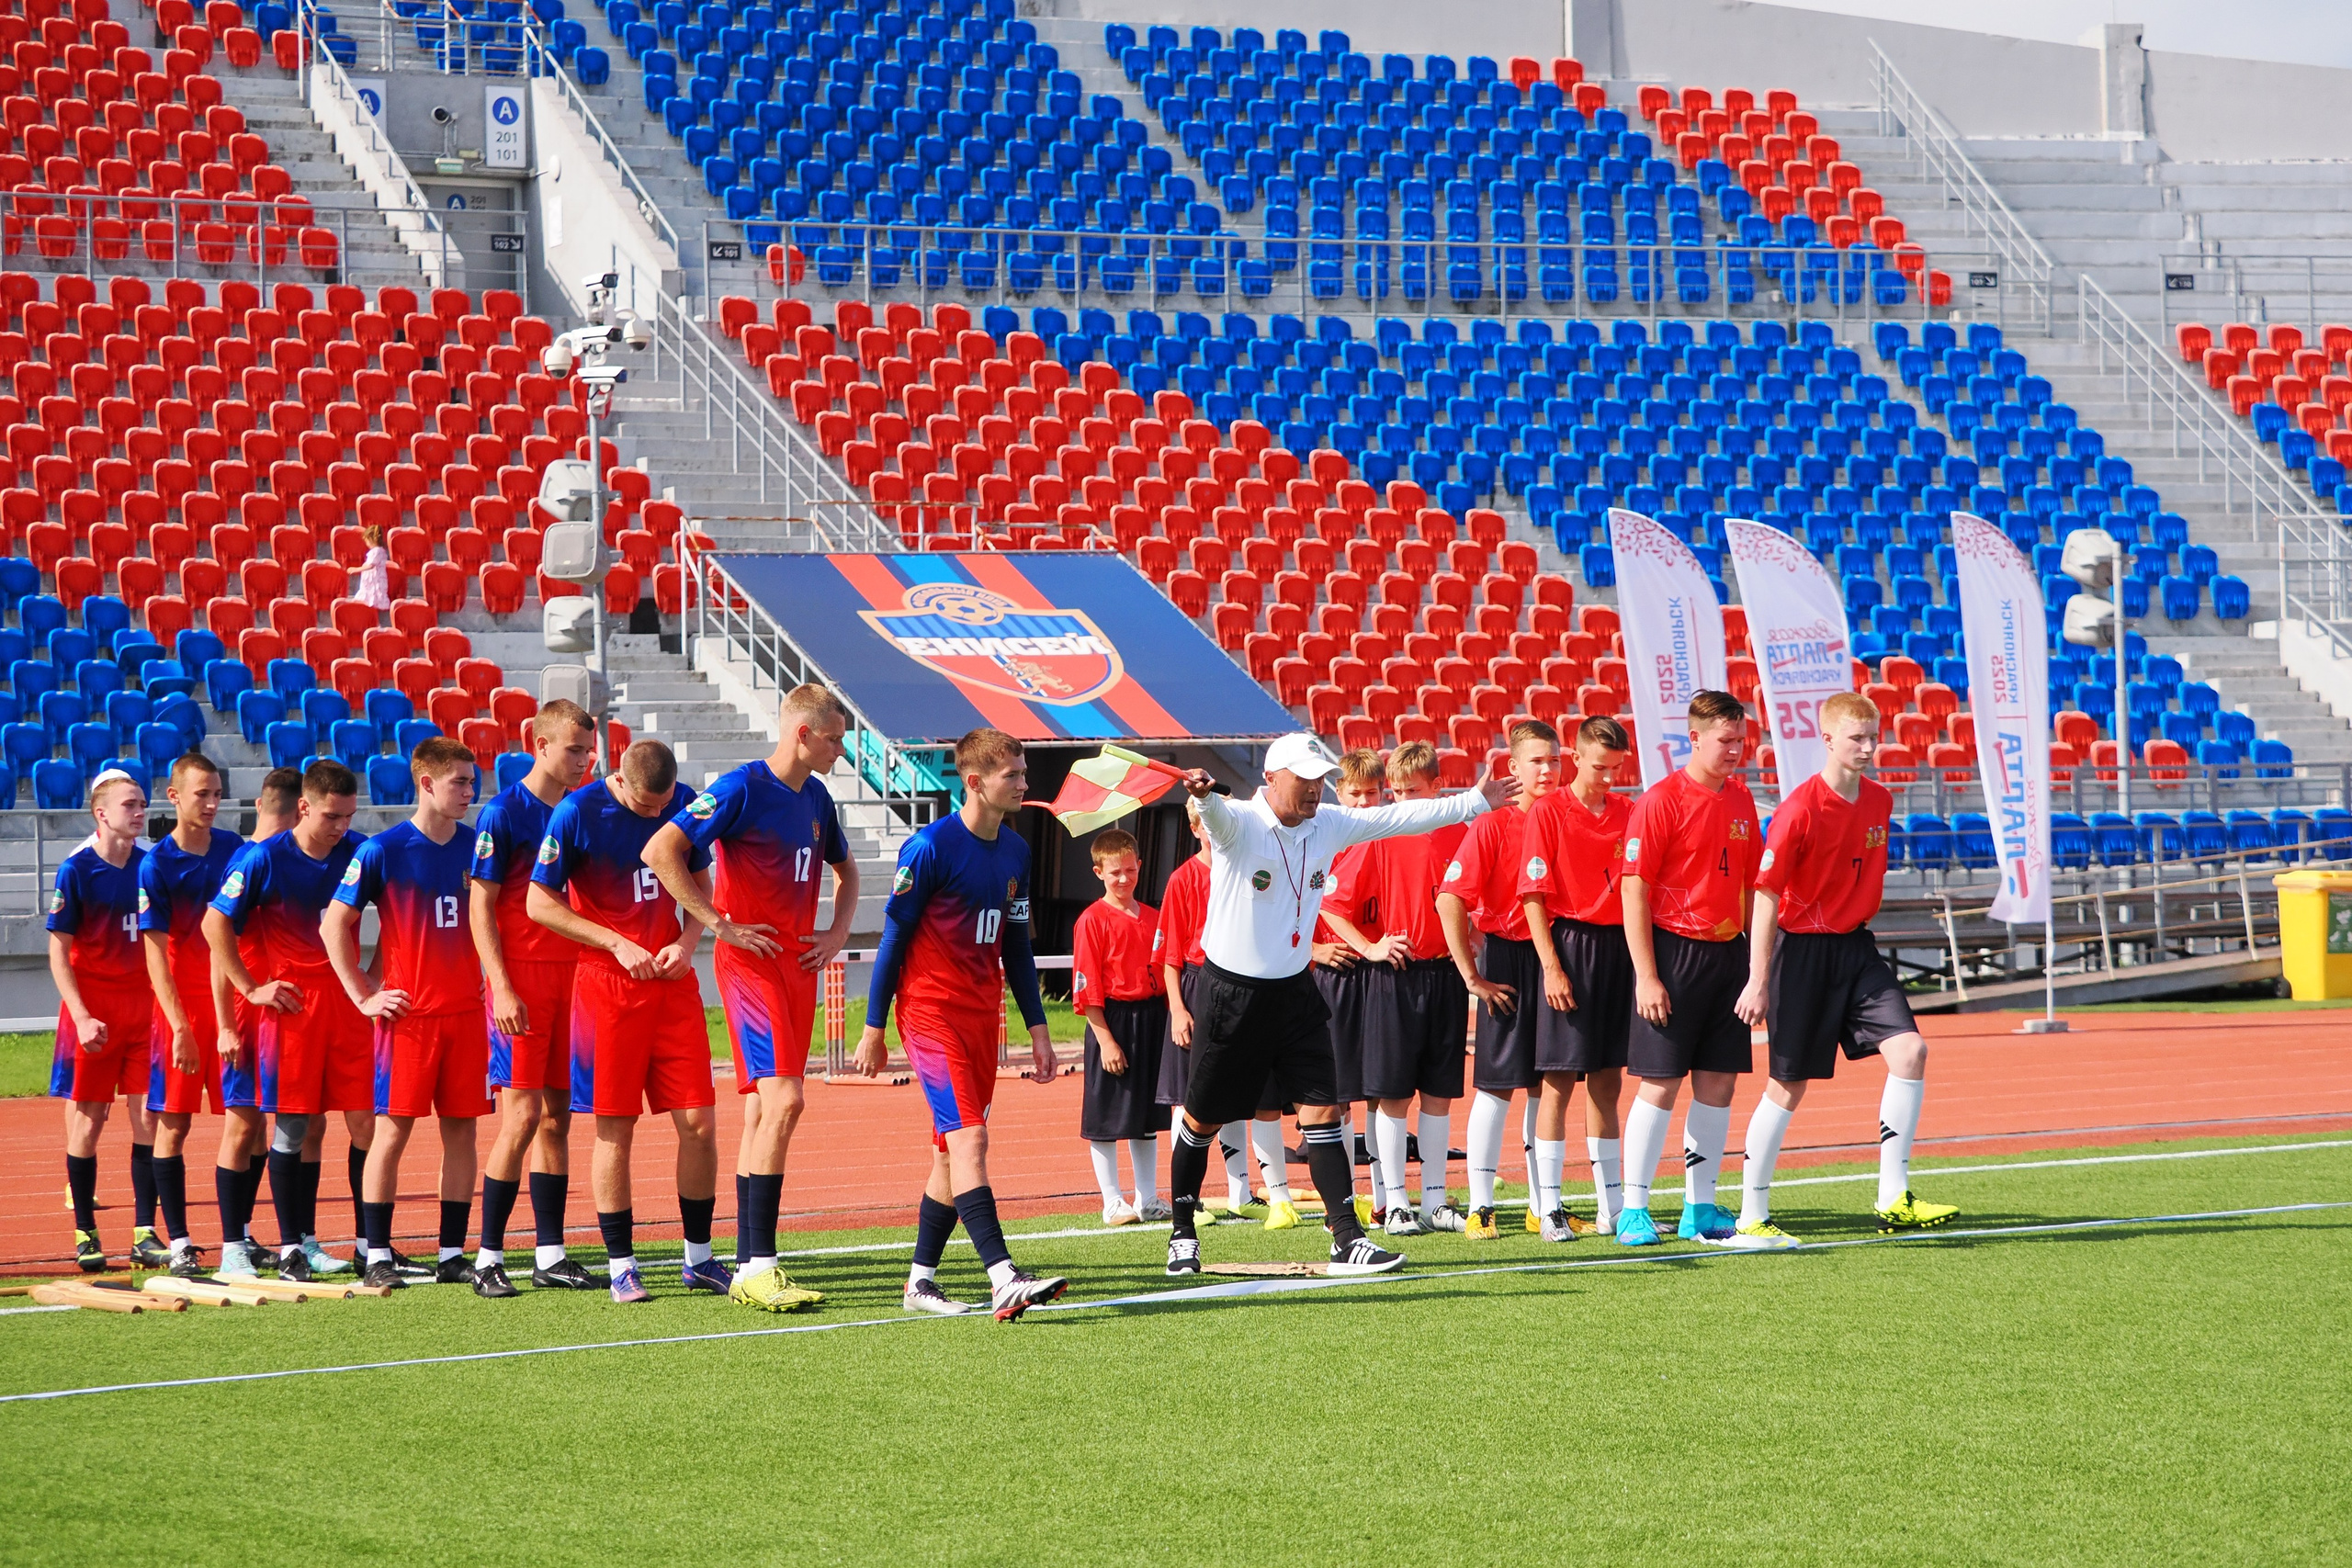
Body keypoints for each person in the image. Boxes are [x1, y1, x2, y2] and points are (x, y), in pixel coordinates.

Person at [1162, 734, 1518, 1279]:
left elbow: (1406, 819)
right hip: (1230, 994)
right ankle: (1182, 1232)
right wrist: (1207, 797)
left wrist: (1475, 800)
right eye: (1303, 777)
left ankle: (1346, 1237)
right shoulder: (1240, 821)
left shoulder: (1328, 822)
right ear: (1272, 777)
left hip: (1296, 994)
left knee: (1326, 1114)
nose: (1315, 787)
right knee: (1202, 1118)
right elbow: (1216, 815)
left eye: (1319, 777)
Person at [643, 683, 858, 1314]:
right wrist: (719, 923)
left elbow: (847, 874)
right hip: (753, 966)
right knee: (785, 1101)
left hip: (798, 966)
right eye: (835, 737)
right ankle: (758, 1263)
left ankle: (749, 1262)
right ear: (802, 733)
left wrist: (838, 933)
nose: (841, 750)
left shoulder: (817, 797)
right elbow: (661, 850)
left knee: (768, 1112)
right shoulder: (741, 787)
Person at [855, 727, 1069, 1322]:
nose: (1025, 784)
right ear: (974, 781)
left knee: (951, 1153)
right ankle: (1004, 1276)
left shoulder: (1018, 853)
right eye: (1015, 775)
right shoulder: (928, 848)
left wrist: (1039, 1027)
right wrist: (874, 1026)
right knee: (971, 1138)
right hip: (929, 1014)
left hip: (981, 1018)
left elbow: (1018, 946)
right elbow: (893, 938)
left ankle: (920, 1281)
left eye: (1025, 774)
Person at [1731, 692, 1958, 1245]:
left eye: (1873, 737)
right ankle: (1751, 1216)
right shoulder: (1799, 809)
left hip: (1855, 948)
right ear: (1827, 739)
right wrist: (1758, 978)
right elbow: (1765, 895)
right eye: (1856, 738)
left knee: (1911, 1051)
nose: (1868, 747)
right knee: (1787, 1086)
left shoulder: (1880, 800)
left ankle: (1893, 1198)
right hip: (1800, 952)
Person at [528, 739, 726, 1304]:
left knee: (700, 1125)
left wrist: (690, 941)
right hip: (607, 988)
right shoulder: (577, 812)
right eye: (645, 807)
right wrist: (615, 943)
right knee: (615, 1128)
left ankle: (700, 1259)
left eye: (664, 806)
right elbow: (539, 902)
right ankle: (621, 1266)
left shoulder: (682, 800)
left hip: (672, 984)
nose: (656, 817)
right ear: (620, 779)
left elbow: (699, 880)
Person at [325, 738, 499, 1293]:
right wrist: (363, 994)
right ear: (425, 783)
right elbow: (334, 926)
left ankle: (452, 1252)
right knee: (391, 1133)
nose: (469, 793)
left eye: (472, 783)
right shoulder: (384, 849)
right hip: (410, 1019)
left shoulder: (478, 846)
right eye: (459, 783)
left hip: (467, 1016)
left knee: (462, 1134)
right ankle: (376, 1252)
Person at [204, 761, 374, 1283]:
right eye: (331, 816)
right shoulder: (263, 858)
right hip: (289, 1009)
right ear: (304, 806)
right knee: (284, 1125)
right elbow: (214, 925)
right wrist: (251, 989)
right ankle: (263, 1247)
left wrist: (372, 976)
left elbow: (397, 910)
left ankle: (356, 1245)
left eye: (348, 815)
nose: (341, 826)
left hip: (344, 1006)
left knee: (361, 1118)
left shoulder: (360, 851)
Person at [1614, 692, 1762, 1248]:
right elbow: (1634, 889)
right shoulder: (1660, 801)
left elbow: (1751, 883)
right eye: (1725, 740)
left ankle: (1699, 1206)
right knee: (1660, 1083)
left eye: (1740, 740)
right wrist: (1646, 975)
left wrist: (1754, 967)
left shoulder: (1743, 800)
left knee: (1718, 1083)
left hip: (1728, 954)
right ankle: (1634, 1209)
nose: (1735, 751)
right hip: (1673, 955)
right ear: (1694, 738)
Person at [470, 700, 600, 1291]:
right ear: (540, 745)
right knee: (520, 1116)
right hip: (521, 980)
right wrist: (501, 985)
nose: (583, 760)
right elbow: (481, 906)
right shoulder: (504, 812)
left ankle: (550, 1254)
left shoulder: (585, 809)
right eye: (573, 749)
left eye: (588, 750)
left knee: (556, 1120)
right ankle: (488, 1259)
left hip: (572, 979)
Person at [1323, 741, 1469, 1238]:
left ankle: (1434, 1201)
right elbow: (1331, 904)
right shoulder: (1378, 834)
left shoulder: (1461, 833)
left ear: (1437, 788)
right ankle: (1398, 1203)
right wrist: (1369, 947)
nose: (1404, 801)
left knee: (1439, 1094)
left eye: (1414, 791)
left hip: (1447, 975)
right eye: (1398, 792)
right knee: (1390, 1096)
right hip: (1396, 977)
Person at [1439, 720, 1572, 1241]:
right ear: (1512, 768)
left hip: (1559, 960)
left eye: (1555, 760)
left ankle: (1544, 1207)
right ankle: (1482, 1206)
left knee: (1547, 1083)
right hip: (1508, 960)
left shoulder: (1569, 818)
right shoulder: (1492, 826)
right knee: (1496, 1088)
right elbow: (1450, 898)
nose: (1547, 769)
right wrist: (1471, 975)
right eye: (1537, 760)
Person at [1518, 716, 1635, 1240]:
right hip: (1570, 945)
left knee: (1608, 1082)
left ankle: (1613, 1206)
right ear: (1577, 757)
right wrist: (1551, 966)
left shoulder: (1630, 812)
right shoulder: (1547, 811)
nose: (1609, 776)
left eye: (1617, 768)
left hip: (1619, 950)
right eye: (1600, 766)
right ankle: (1550, 1208)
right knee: (1558, 1081)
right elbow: (1533, 897)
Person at [138, 755, 245, 1280]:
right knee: (173, 1126)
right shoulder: (156, 864)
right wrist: (179, 1025)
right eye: (201, 794)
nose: (211, 803)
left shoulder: (235, 851)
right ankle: (180, 1241)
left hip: (233, 1009)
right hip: (181, 1014)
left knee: (248, 1121)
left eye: (217, 793)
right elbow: (155, 954)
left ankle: (239, 1239)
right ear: (174, 796)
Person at [51, 770, 154, 1274]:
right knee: (89, 1123)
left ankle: (145, 1232)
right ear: (102, 813)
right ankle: (86, 1232)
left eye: (142, 804)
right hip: (95, 1016)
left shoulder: (151, 864)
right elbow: (59, 954)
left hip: (145, 1013)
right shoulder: (76, 869)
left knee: (149, 1119)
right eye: (130, 805)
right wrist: (82, 1014)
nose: (139, 812)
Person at [209, 767, 301, 1279]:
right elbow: (215, 946)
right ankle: (230, 1247)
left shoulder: (280, 858)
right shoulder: (252, 860)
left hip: (278, 1013)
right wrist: (227, 1022)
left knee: (271, 1126)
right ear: (293, 811)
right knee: (242, 1124)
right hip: (249, 1014)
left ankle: (248, 1235)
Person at [1069, 827, 1168, 1224]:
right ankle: (1112, 1200)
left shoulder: (1155, 917)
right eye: (1115, 873)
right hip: (1110, 1019)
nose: (1124, 879)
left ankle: (1147, 1198)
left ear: (1140, 866)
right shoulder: (1091, 921)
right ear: (1098, 873)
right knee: (1106, 1115)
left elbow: (1167, 972)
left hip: (1152, 1018)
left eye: (1130, 870)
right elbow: (1087, 986)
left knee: (1146, 1117)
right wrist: (1106, 1040)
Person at [1153, 805, 1246, 1221]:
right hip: (1195, 984)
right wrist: (1177, 1008)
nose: (1213, 832)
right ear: (1194, 829)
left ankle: (1242, 1193)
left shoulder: (1242, 870)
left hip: (1239, 986)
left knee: (1233, 1093)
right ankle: (1185, 1199)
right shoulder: (1182, 879)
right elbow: (1170, 955)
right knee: (1185, 1098)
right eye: (1205, 825)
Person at [1311, 750, 1382, 1217]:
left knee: (1378, 1088)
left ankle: (1384, 1195)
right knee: (1333, 1095)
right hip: (1325, 978)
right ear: (1339, 794)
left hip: (1376, 976)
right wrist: (1314, 952)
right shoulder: (1317, 839)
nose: (1362, 803)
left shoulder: (1386, 839)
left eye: (1371, 793)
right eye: (1354, 793)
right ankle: (1347, 1197)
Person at [354, 524, 391, 611]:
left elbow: (371, 565)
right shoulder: (378, 551)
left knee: (374, 594)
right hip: (370, 580)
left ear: (371, 539)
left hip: (375, 580)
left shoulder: (376, 551)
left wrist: (356, 569)